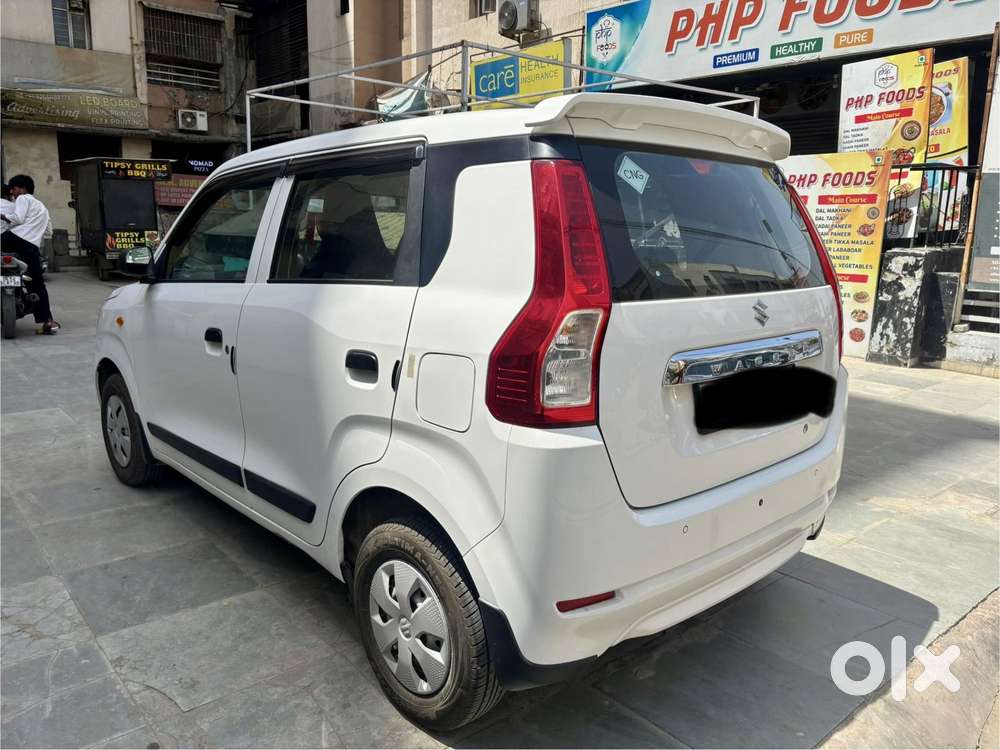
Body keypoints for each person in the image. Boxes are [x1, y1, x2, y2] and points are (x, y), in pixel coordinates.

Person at [1, 174, 59, 333]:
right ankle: (48, 321)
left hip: (15, 239)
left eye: (13, 190)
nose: (12, 193)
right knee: (37, 283)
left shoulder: (23, 198)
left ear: (22, 188)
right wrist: (33, 231)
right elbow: (48, 232)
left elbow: (18, 219)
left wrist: (3, 216)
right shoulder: (42, 207)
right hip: (31, 246)